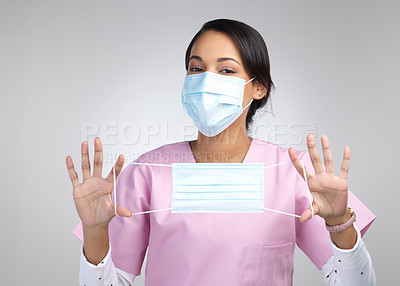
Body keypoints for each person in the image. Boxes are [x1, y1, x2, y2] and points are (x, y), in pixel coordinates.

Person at [67, 19, 376, 285]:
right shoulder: (148, 172)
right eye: (196, 68)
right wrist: (96, 233)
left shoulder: (295, 171)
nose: (206, 80)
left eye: (226, 70)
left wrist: (339, 222)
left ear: (259, 88)